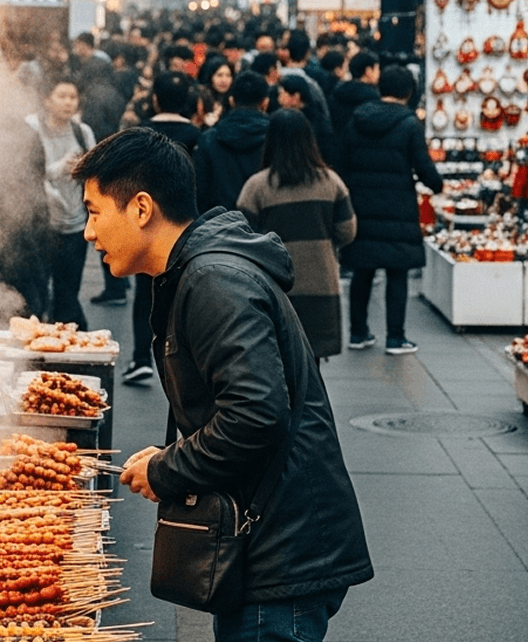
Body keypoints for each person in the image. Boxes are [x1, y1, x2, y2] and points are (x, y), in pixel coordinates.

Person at [72, 127, 373, 641]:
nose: (88, 232)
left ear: (141, 208)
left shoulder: (213, 280)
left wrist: (167, 469)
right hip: (268, 545)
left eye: (95, 211)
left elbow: (255, 416)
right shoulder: (195, 272)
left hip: (279, 555)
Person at [236, 109, 356, 361]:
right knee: (311, 368)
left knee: (277, 363)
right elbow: (347, 231)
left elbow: (242, 237)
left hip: (273, 289)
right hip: (321, 286)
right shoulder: (331, 182)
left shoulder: (256, 186)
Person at [339, 65, 443, 354]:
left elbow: (343, 161)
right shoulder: (409, 124)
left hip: (361, 205)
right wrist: (437, 185)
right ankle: (395, 338)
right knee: (397, 272)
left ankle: (358, 333)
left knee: (363, 270)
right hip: (397, 207)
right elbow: (423, 166)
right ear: (409, 92)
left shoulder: (357, 119)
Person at [124, 71, 203, 384]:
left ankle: (142, 357)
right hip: (188, 228)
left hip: (148, 227)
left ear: (154, 99)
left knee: (146, 294)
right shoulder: (200, 136)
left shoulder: (140, 136)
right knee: (188, 296)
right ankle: (187, 363)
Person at [26, 75, 96, 331]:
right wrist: (58, 168)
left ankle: (64, 349)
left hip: (75, 224)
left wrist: (83, 168)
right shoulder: (32, 128)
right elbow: (25, 174)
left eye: (73, 97)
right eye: (62, 96)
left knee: (68, 291)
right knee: (37, 293)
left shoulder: (82, 131)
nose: (68, 102)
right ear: (47, 100)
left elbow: (97, 173)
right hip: (41, 226)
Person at [192, 70, 271, 214]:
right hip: (266, 229)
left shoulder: (208, 139)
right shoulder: (276, 137)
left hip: (219, 226)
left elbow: (199, 193)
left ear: (231, 100)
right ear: (265, 103)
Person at [276, 73, 340, 170]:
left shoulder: (317, 121)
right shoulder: (318, 118)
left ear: (296, 97)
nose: (278, 99)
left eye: (281, 94)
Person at [328, 49, 380, 136]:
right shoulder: (373, 98)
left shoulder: (337, 92)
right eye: (377, 69)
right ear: (368, 71)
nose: (379, 73)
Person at [196, 53, 235, 127]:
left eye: (228, 75)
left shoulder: (234, 98)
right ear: (210, 77)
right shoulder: (201, 97)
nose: (224, 80)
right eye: (219, 75)